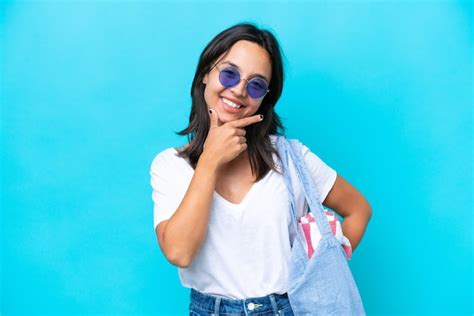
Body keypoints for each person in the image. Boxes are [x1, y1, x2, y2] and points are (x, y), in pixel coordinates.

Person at [150, 23, 372, 315]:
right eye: (229, 73)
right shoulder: (170, 166)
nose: (239, 90)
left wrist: (324, 270)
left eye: (255, 85)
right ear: (206, 73)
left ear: (264, 98)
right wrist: (210, 161)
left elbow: (359, 209)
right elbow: (179, 251)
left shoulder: (291, 159)